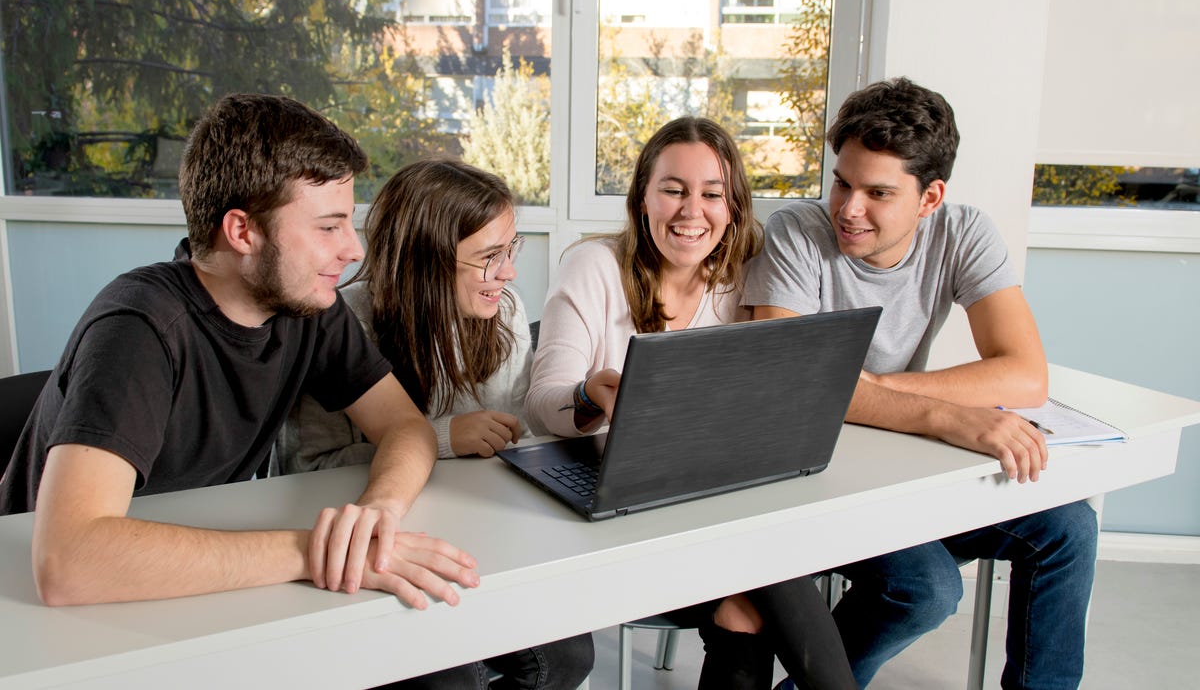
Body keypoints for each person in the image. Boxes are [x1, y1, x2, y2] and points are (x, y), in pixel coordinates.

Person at [0, 93, 479, 609]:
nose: (353, 249)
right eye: (327, 227)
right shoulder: (140, 329)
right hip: (42, 613)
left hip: (187, 580)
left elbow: (405, 426)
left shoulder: (305, 308)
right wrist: (313, 552)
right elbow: (67, 563)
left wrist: (376, 512)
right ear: (242, 231)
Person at [742, 77, 1098, 689]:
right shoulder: (797, 232)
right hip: (818, 479)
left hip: (899, 464)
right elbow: (797, 383)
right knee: (927, 588)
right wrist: (951, 414)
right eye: (842, 182)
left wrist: (874, 388)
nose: (849, 208)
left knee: (1068, 527)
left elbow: (1024, 374)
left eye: (877, 192)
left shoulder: (963, 232)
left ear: (930, 197)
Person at [527, 116, 855, 690]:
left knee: (744, 605)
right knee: (768, 571)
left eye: (711, 194)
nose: (690, 211)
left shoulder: (744, 276)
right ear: (643, 198)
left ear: (732, 208)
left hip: (712, 499)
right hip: (617, 507)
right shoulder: (594, 267)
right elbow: (539, 404)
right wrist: (588, 395)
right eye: (673, 190)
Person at [276, 157, 594, 689]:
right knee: (453, 680)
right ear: (428, 262)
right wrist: (447, 438)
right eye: (490, 257)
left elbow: (510, 446)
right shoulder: (342, 324)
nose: (509, 273)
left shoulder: (505, 312)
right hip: (383, 548)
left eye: (509, 251)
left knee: (568, 657)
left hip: (485, 534)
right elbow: (308, 467)